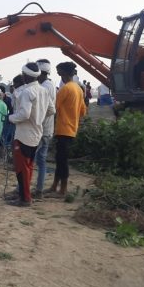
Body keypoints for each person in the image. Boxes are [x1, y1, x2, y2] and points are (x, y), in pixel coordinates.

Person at [7, 62, 55, 207]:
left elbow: (24, 114)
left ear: (26, 76)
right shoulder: (43, 90)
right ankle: (24, 196)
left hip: (24, 135)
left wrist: (10, 118)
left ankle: (25, 199)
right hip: (37, 133)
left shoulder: (27, 92)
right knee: (28, 166)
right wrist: (38, 118)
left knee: (22, 168)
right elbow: (52, 110)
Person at [46, 62, 87, 197]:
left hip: (63, 129)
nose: (58, 75)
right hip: (71, 129)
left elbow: (53, 108)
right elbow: (82, 112)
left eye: (59, 72)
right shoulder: (78, 89)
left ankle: (62, 190)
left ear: (63, 73)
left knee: (62, 161)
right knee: (60, 159)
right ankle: (54, 186)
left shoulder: (65, 89)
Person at [33, 59, 57, 199]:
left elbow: (47, 109)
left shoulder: (46, 87)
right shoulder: (49, 85)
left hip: (41, 129)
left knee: (30, 159)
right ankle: (39, 190)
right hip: (45, 129)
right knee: (40, 160)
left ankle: (23, 189)